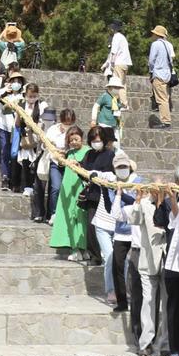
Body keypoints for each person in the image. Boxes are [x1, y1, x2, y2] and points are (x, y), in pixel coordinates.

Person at [117, 183, 167, 355]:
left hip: (167, 259)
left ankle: (165, 342)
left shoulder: (171, 203)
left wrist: (163, 200)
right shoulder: (144, 204)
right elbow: (134, 219)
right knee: (148, 300)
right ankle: (145, 342)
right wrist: (138, 199)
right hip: (148, 259)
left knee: (166, 302)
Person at [155, 164, 179, 356]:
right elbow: (159, 220)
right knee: (173, 304)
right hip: (174, 258)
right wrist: (161, 198)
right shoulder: (169, 202)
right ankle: (173, 346)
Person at [85, 126, 118, 303]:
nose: (96, 142)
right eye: (93, 140)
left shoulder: (110, 155)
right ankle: (95, 256)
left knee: (117, 256)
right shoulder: (89, 154)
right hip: (94, 198)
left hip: (108, 201)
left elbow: (112, 175)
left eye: (99, 139)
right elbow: (84, 171)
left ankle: (118, 289)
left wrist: (100, 176)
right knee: (92, 229)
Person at [50, 124, 90, 260]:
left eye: (76, 139)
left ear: (81, 138)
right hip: (67, 189)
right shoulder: (69, 153)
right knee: (69, 218)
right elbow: (61, 164)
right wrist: (60, 157)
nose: (73, 142)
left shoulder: (88, 151)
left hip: (81, 188)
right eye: (71, 140)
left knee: (82, 218)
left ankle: (85, 248)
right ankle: (75, 248)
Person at [110, 151, 139, 314]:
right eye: (119, 167)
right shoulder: (112, 184)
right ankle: (121, 301)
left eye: (124, 166)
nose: (122, 169)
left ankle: (136, 299)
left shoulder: (139, 182)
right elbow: (113, 206)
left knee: (135, 268)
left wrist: (121, 194)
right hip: (120, 231)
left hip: (135, 231)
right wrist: (116, 193)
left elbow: (137, 201)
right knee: (117, 265)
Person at [0, 69, 26, 191]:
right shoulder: (4, 92)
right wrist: (5, 93)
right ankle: (5, 177)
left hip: (16, 127)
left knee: (14, 154)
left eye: (18, 81)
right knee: (4, 152)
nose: (16, 84)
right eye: (14, 81)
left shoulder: (23, 96)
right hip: (4, 126)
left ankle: (15, 180)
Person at [45, 108, 77, 222]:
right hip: (55, 162)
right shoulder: (53, 130)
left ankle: (64, 214)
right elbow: (46, 144)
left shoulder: (75, 131)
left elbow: (77, 145)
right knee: (56, 187)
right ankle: (53, 213)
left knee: (67, 189)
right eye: (66, 123)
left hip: (69, 163)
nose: (68, 125)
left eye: (70, 123)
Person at [148, 25, 174, 130]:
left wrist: (151, 71)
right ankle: (166, 121)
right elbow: (171, 59)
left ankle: (166, 122)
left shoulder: (155, 44)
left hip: (158, 74)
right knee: (165, 97)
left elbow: (151, 61)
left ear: (157, 34)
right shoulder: (169, 45)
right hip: (167, 75)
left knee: (161, 99)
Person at [100, 19, 132, 106]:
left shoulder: (116, 37)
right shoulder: (122, 37)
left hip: (118, 63)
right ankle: (124, 103)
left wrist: (112, 64)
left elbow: (113, 52)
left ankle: (121, 103)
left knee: (117, 84)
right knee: (123, 84)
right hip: (125, 63)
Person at [91, 76, 126, 142]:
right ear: (110, 87)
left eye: (118, 88)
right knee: (105, 141)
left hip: (114, 124)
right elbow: (96, 106)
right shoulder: (105, 96)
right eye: (115, 87)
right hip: (104, 124)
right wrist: (93, 119)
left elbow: (118, 108)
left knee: (115, 142)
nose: (117, 89)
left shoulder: (117, 98)